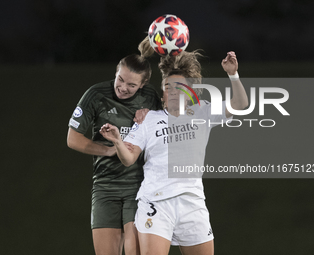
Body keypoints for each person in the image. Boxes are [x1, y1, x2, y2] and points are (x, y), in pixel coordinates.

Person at [99, 50, 248, 255]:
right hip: (156, 201)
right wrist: (117, 141)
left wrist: (233, 75)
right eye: (168, 87)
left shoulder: (202, 112)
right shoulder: (148, 120)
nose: (174, 91)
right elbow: (128, 159)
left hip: (192, 202)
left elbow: (240, 104)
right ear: (163, 95)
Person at [66, 37, 162, 255]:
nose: (123, 88)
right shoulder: (96, 95)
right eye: (120, 80)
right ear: (116, 72)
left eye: (132, 85)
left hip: (139, 187)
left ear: (143, 85)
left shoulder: (149, 97)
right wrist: (108, 149)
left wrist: (152, 115)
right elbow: (73, 138)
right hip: (105, 186)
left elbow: (166, 128)